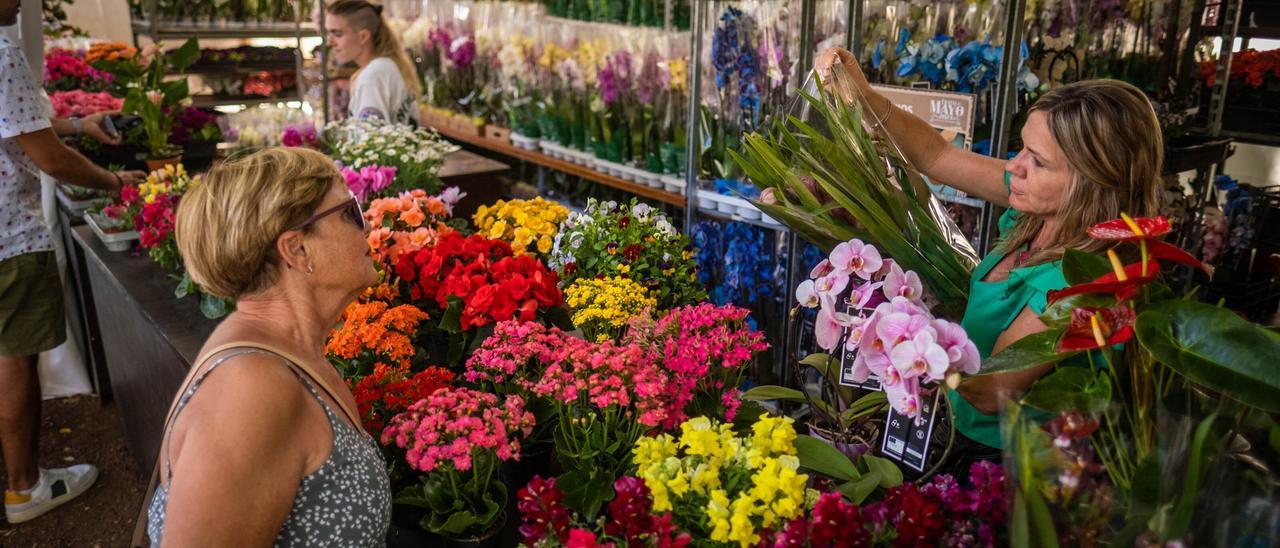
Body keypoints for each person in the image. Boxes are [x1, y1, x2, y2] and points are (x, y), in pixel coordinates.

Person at [816, 47, 1161, 469]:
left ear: (1092, 182)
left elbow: (989, 390)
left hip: (1005, 465)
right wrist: (863, 94)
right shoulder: (1038, 210)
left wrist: (911, 347)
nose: (1015, 166)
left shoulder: (1080, 284)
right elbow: (936, 156)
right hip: (956, 427)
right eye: (1022, 149)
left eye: (1038, 161)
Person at [146, 147, 389, 545]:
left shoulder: (285, 352)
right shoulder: (251, 389)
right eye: (351, 212)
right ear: (296, 249)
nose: (367, 224)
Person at [1, 0, 146, 524]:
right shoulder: (1, 54)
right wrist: (113, 184)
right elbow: (50, 161)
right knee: (14, 360)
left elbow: (15, 124)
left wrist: (79, 123)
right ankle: (24, 488)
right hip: (9, 241)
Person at [326, 0, 422, 125]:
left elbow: (372, 140)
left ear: (363, 36)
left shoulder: (373, 76)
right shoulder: (385, 67)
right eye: (328, 33)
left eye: (338, 34)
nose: (330, 42)